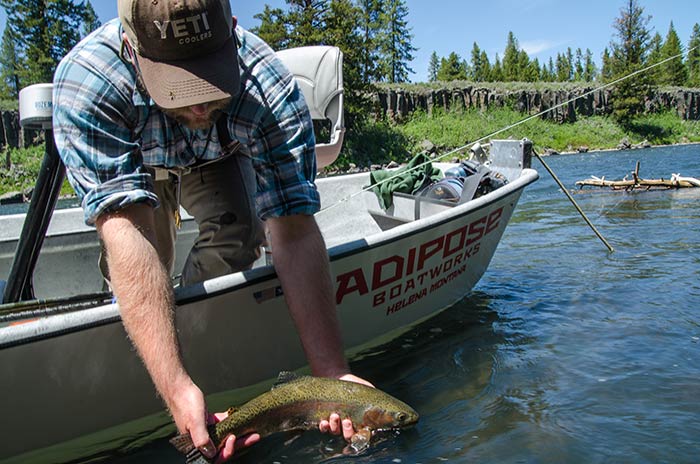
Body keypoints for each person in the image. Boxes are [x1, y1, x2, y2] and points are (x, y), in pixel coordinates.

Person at [52, 0, 371, 461]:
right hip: (140, 162)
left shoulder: (269, 88)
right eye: (179, 85)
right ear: (131, 48)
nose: (199, 103)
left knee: (240, 235)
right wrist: (176, 385)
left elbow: (294, 229)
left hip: (222, 154)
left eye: (210, 78)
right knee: (147, 263)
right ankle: (165, 364)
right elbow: (126, 229)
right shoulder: (90, 84)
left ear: (233, 31)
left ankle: (197, 333)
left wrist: (331, 373)